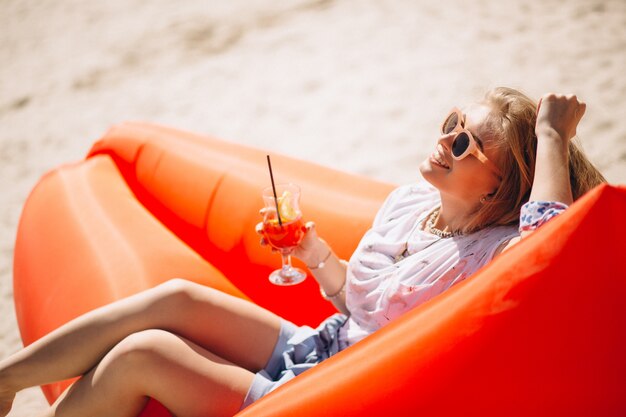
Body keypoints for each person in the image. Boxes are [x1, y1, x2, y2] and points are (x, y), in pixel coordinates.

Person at [0, 87, 606, 417]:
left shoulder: (496, 251)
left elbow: (549, 248)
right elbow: (366, 307)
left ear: (500, 187)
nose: (444, 139)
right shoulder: (407, 205)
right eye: (451, 120)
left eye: (466, 141)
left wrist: (551, 134)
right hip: (326, 347)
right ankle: (5, 379)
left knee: (145, 354)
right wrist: (316, 253)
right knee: (175, 298)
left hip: (347, 395)